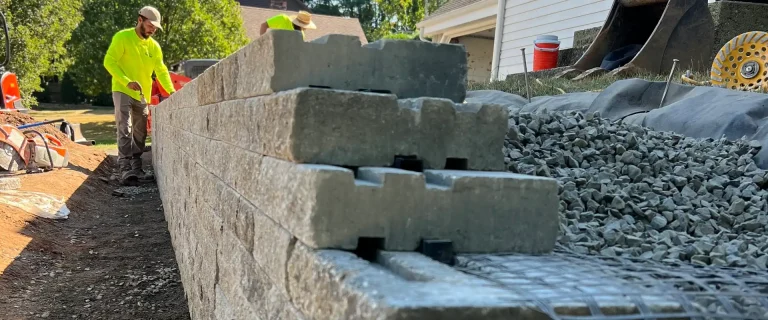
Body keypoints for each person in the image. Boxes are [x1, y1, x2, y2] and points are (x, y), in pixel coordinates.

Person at [103, 5, 176, 186]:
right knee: (124, 127)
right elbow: (109, 61)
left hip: (142, 94)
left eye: (155, 28)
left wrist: (172, 93)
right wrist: (126, 81)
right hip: (122, 89)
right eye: (150, 25)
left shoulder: (154, 46)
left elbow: (161, 70)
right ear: (140, 20)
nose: (153, 30)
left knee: (141, 132)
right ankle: (124, 167)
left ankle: (136, 168)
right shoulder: (123, 37)